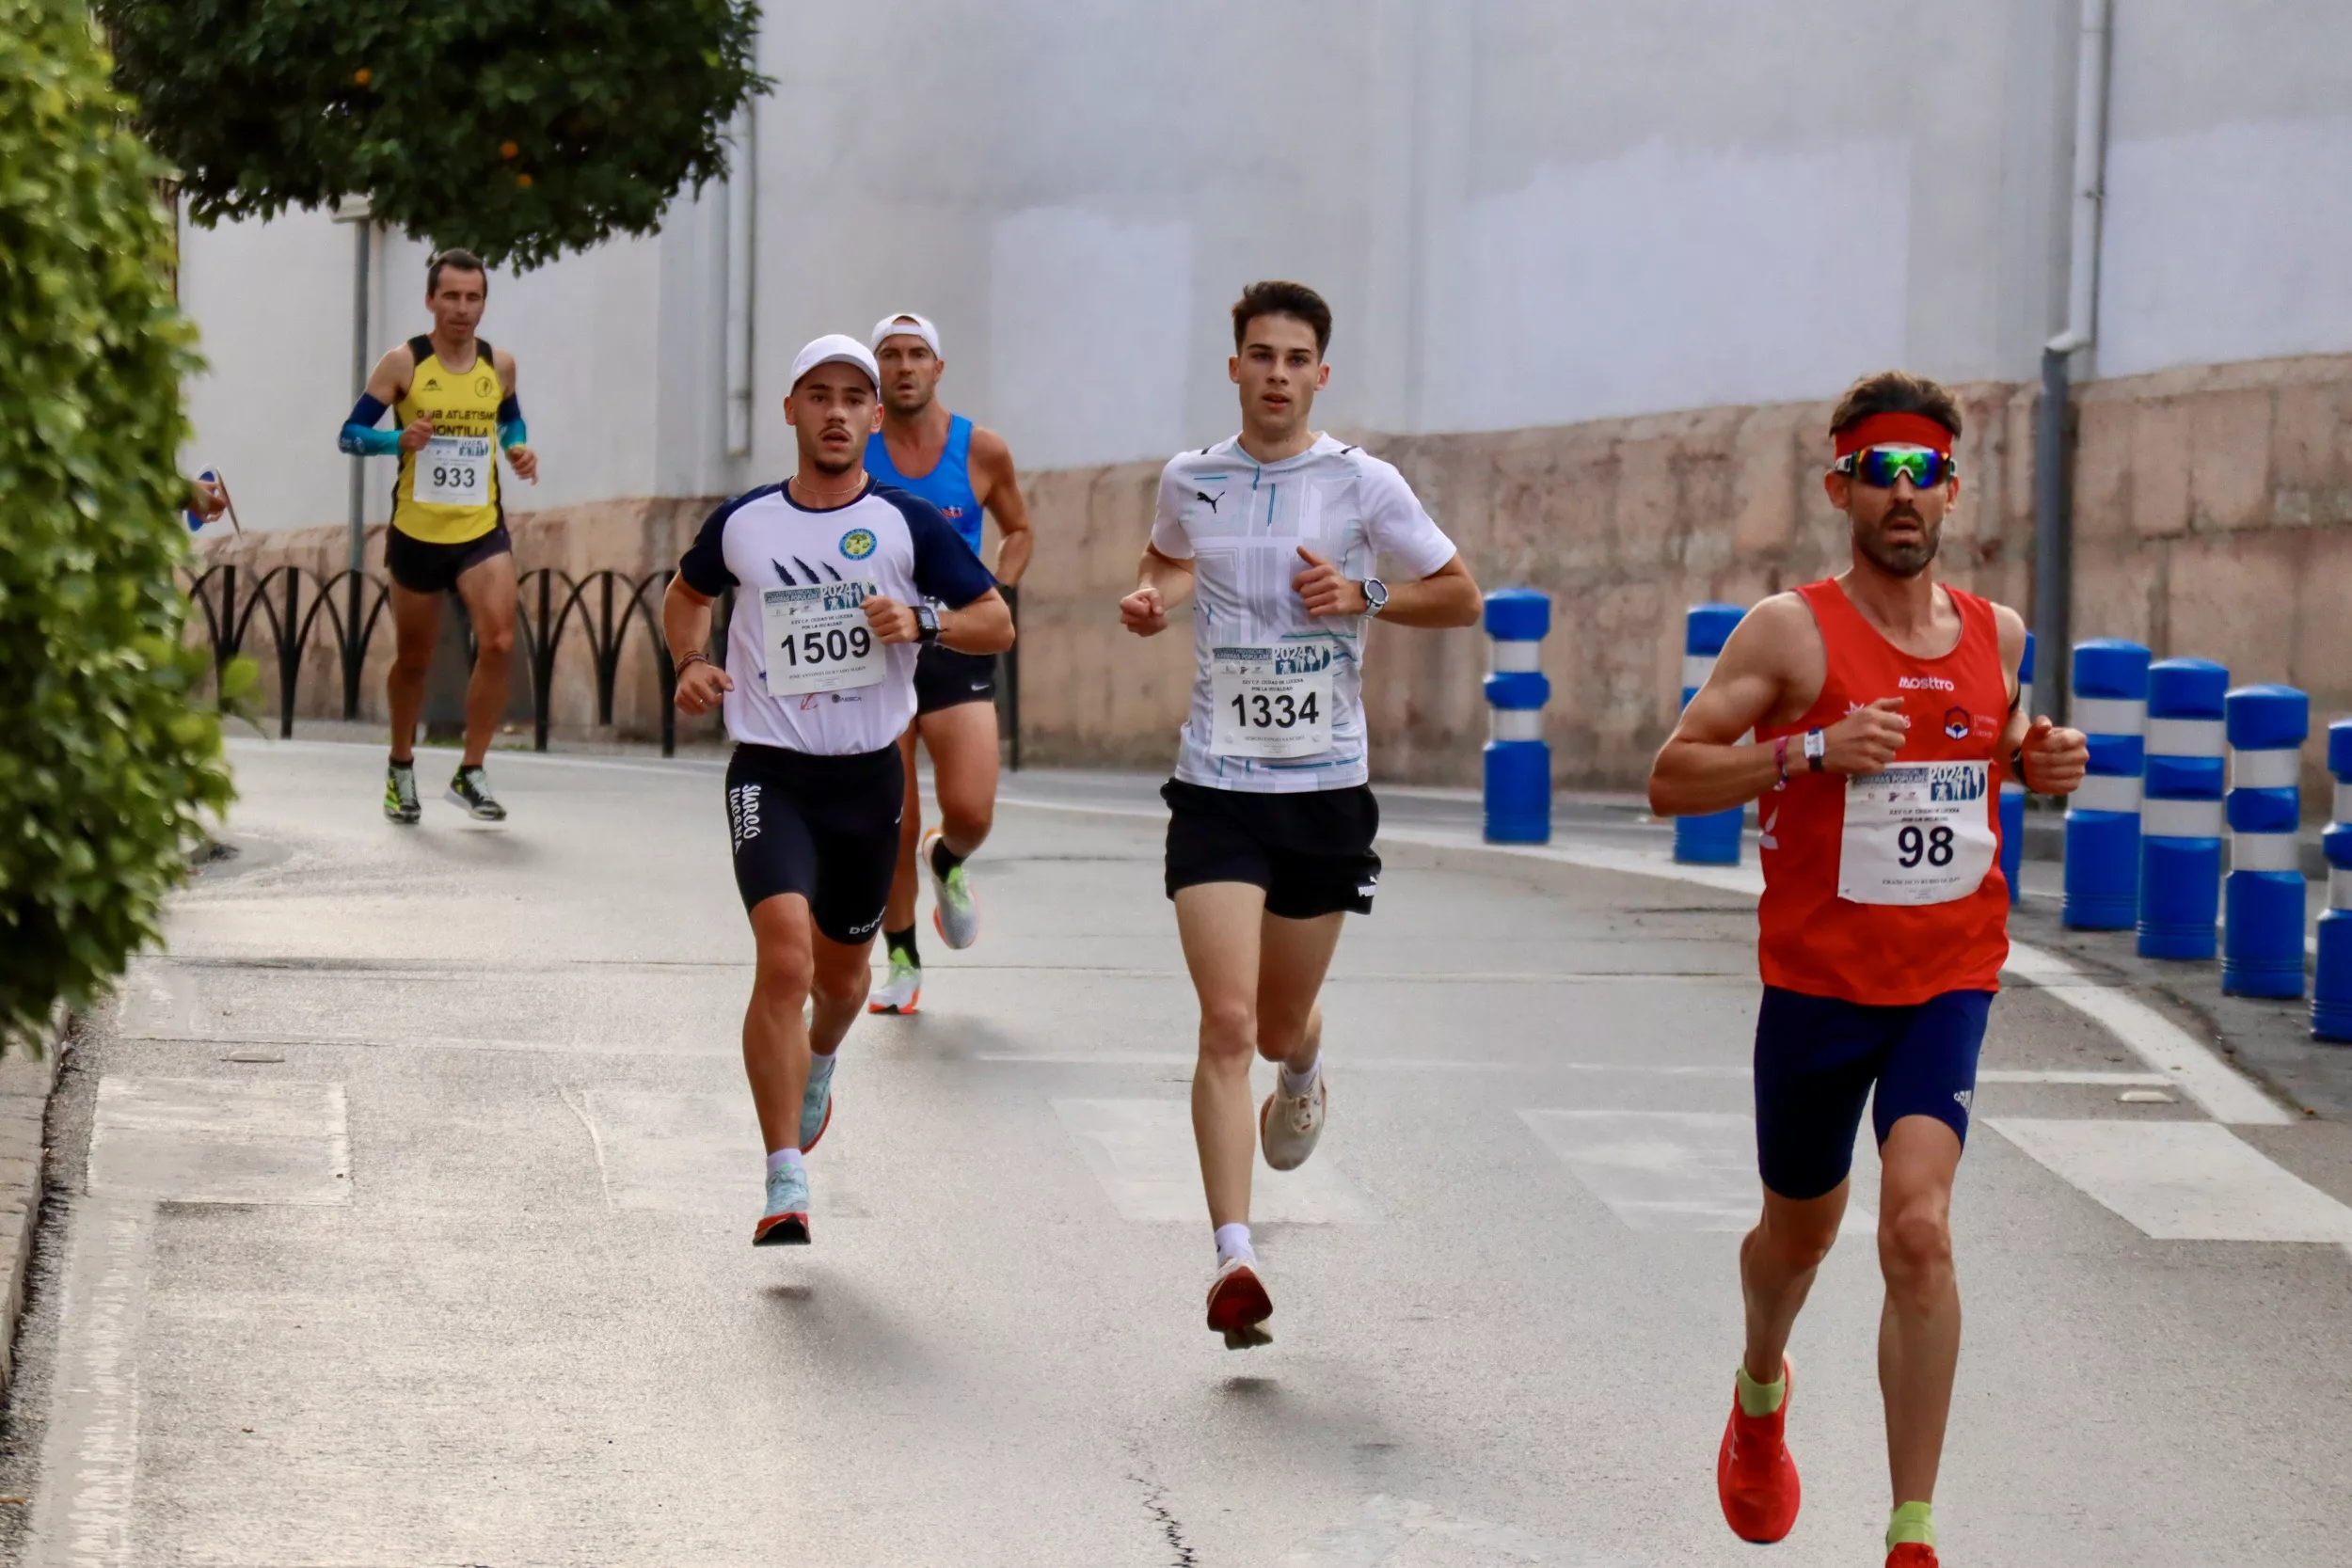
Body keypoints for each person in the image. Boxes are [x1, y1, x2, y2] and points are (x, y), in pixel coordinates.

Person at [1646, 371, 2089, 1567]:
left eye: (1924, 471)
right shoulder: (1789, 631)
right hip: (1816, 989)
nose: (1904, 493)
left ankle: (1910, 1529)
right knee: (1796, 1241)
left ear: (1953, 488)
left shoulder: (1996, 636)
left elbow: (1995, 750)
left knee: (1918, 1230)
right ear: (1840, 483)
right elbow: (1670, 777)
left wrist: (2042, 761)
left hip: (1946, 975)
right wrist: (1804, 752)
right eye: (1880, 471)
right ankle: (1756, 1388)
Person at [1119, 281, 1482, 1347]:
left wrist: (1364, 597)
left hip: (1322, 787)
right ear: (1232, 366)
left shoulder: (1362, 484)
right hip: (1218, 786)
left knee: (1276, 1023)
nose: (1275, 372)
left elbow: (1459, 592)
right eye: (1258, 354)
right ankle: (1235, 1258)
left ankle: (1306, 1064)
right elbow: (1170, 555)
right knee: (1225, 1022)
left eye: (1295, 357)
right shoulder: (1193, 478)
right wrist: (1154, 595)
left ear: (1320, 374)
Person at [662, 334, 1013, 1246]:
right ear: (790, 409)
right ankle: (784, 1174)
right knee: (784, 958)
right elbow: (685, 595)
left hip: (867, 778)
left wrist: (926, 617)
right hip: (770, 769)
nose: (835, 412)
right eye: (817, 395)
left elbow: (996, 621)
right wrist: (691, 661)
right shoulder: (743, 522)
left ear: (870, 415)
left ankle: (819, 1059)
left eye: (853, 398)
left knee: (845, 973)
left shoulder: (907, 524)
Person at [861, 311, 1035, 1013]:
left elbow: (1020, 528)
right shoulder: (855, 447)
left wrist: (1002, 585)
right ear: (875, 372)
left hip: (954, 640)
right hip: (877, 651)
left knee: (970, 809)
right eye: (890, 356)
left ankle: (949, 856)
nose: (904, 367)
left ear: (938, 368)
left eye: (917, 355)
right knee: (891, 819)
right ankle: (901, 958)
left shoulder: (981, 450)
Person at [338, 247, 539, 824]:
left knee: (499, 642)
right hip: (417, 530)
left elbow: (509, 419)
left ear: (483, 303)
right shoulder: (403, 364)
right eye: (450, 296)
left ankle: (471, 770)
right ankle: (401, 764)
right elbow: (350, 434)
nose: (461, 308)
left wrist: (518, 447)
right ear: (431, 300)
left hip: (480, 527)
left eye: (473, 297)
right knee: (414, 659)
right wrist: (393, 442)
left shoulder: (498, 365)